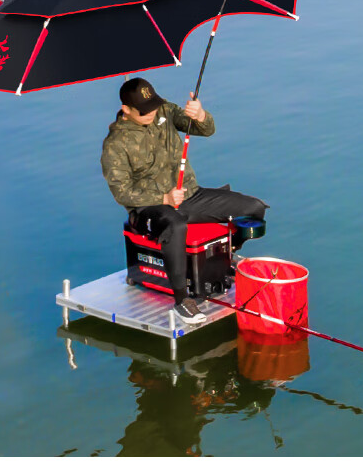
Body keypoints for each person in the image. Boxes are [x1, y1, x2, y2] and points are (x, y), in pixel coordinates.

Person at [101, 77, 267, 325]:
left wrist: (199, 115)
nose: (152, 113)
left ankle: (227, 255)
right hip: (150, 209)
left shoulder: (165, 110)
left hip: (190, 195)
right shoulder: (115, 144)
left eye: (154, 106)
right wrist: (163, 198)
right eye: (144, 111)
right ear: (126, 110)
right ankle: (182, 301)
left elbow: (205, 129)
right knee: (175, 225)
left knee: (253, 208)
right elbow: (121, 192)